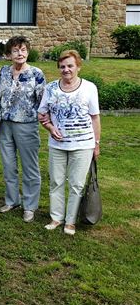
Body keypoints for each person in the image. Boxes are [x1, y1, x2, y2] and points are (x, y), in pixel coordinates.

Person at [38, 50, 101, 236]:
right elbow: (42, 114)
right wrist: (50, 127)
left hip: (83, 144)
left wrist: (96, 144)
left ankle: (71, 221)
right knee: (56, 181)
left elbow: (95, 118)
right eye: (63, 66)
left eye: (70, 66)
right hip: (57, 145)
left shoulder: (90, 88)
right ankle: (56, 218)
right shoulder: (50, 88)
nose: (66, 70)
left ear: (78, 67)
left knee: (76, 184)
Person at [0, 36, 46, 223]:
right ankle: (12, 200)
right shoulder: (4, 71)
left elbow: (42, 102)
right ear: (9, 54)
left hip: (26, 125)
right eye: (15, 50)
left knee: (30, 167)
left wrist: (39, 117)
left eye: (22, 50)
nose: (19, 53)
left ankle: (29, 206)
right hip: (5, 125)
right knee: (8, 165)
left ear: (27, 52)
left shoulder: (36, 74)